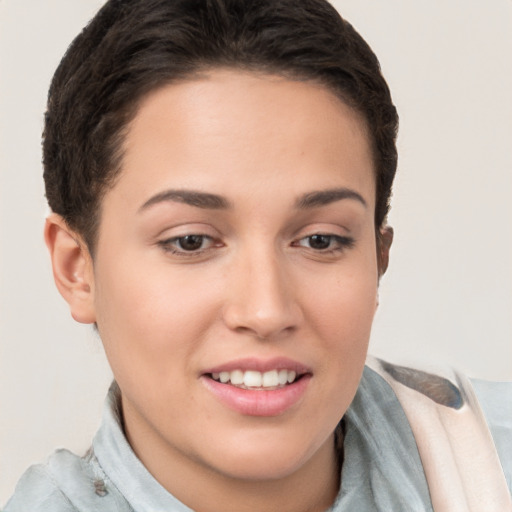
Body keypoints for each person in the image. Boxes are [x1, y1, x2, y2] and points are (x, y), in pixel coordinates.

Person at [4, 0, 511, 510]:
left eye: (320, 240)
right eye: (190, 241)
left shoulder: (493, 460)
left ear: (378, 261)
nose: (266, 311)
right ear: (77, 269)